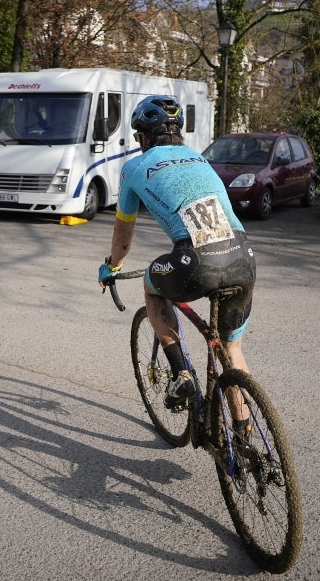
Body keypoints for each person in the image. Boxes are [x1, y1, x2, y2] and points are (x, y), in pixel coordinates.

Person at [97, 95, 256, 435]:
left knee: (152, 286)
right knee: (232, 348)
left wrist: (111, 267)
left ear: (143, 137)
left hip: (194, 262)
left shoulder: (135, 168)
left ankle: (182, 374)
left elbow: (123, 237)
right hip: (243, 256)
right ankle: (245, 438)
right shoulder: (199, 158)